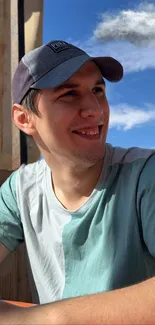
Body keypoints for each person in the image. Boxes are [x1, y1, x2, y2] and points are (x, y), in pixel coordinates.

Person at [0, 39, 155, 324]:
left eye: (98, 90)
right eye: (69, 94)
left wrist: (44, 319)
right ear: (24, 118)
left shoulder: (145, 175)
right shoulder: (20, 189)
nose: (95, 110)